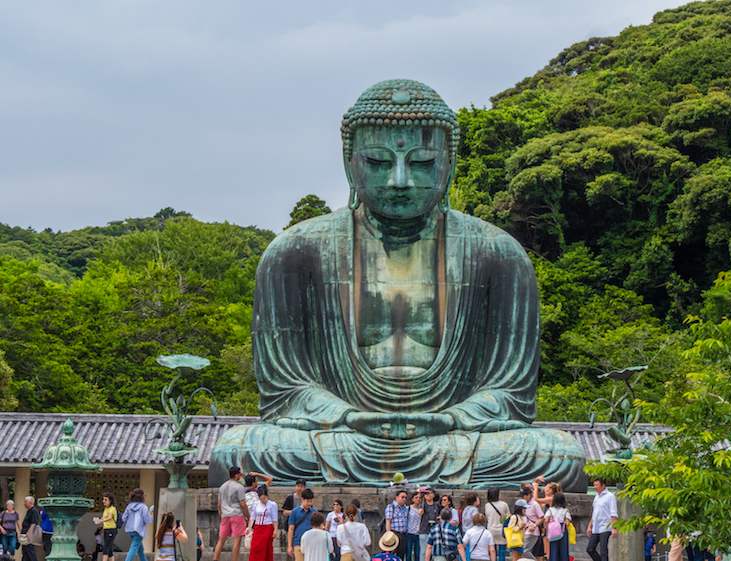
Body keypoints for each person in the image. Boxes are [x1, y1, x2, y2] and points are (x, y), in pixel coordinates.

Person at [209, 79, 587, 491]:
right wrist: (346, 416)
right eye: (378, 161)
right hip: (341, 434)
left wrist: (453, 418)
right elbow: (286, 390)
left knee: (559, 453)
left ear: (449, 163)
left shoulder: (498, 254)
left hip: (453, 434)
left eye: (423, 162)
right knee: (238, 449)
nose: (400, 180)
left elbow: (509, 393)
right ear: (349, 161)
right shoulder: (296, 252)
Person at [214, 466, 250, 561]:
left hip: (225, 516)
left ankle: (215, 559)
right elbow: (243, 505)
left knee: (221, 541)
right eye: (239, 475)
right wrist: (249, 517)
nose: (240, 477)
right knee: (236, 542)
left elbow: (219, 505)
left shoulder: (222, 487)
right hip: (237, 515)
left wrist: (221, 517)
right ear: (236, 475)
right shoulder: (239, 487)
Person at [586, 478, 618, 561]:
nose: (595, 487)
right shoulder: (596, 497)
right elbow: (594, 513)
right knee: (590, 549)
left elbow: (613, 513)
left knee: (603, 550)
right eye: (594, 485)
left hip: (605, 527)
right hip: (596, 527)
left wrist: (614, 528)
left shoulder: (610, 496)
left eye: (597, 485)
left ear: (603, 486)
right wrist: (590, 526)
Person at [121, 488, 154, 561]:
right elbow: (146, 520)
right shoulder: (143, 507)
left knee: (140, 551)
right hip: (139, 531)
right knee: (133, 550)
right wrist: (151, 515)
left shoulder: (129, 506)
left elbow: (123, 518)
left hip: (130, 531)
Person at [248, 487, 278, 561]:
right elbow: (252, 517)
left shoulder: (272, 504)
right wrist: (249, 527)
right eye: (261, 499)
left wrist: (276, 530)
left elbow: (275, 518)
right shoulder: (256, 504)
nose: (263, 500)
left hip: (267, 527)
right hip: (258, 528)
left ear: (267, 496)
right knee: (255, 547)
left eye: (264, 498)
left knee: (265, 548)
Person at [288, 488, 318, 561]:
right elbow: (291, 529)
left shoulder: (315, 512)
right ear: (302, 499)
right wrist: (289, 546)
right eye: (307, 501)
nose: (309, 504)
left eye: (311, 501)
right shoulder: (294, 512)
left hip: (312, 543)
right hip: (298, 542)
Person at [543, 493, 571, 561]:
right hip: (562, 530)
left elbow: (546, 520)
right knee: (563, 549)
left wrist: (547, 531)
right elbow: (567, 523)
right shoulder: (565, 510)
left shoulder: (550, 509)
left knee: (553, 548)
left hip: (553, 530)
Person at [484, 489, 509, 561]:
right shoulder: (504, 504)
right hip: (502, 530)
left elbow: (487, 517)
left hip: (491, 529)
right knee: (502, 551)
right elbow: (507, 516)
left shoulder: (487, 505)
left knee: (492, 550)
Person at [386, 490, 410, 561]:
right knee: (391, 554)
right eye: (402, 497)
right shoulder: (391, 507)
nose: (404, 499)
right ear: (397, 497)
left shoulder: (405, 508)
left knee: (401, 556)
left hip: (403, 534)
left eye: (405, 497)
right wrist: (389, 535)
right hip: (394, 533)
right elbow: (388, 521)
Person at [419, 489, 441, 561]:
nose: (428, 495)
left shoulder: (437, 505)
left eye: (430, 493)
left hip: (434, 531)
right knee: (423, 551)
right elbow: (420, 512)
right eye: (426, 493)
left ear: (433, 495)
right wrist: (420, 511)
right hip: (424, 530)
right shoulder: (422, 504)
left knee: (433, 551)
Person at [95, 492, 118, 561]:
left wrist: (101, 521)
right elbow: (103, 518)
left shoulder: (112, 508)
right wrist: (98, 520)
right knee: (109, 547)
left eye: (105, 499)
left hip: (111, 529)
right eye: (103, 499)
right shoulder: (106, 509)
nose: (103, 501)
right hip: (106, 529)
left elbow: (109, 518)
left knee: (106, 547)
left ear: (110, 500)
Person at [20, 497, 39, 561]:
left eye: (25, 502)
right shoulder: (29, 510)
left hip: (29, 535)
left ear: (30, 502)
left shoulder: (33, 511)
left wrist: (29, 532)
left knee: (30, 552)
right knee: (25, 553)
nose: (24, 504)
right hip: (25, 533)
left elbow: (33, 523)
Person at [406, 492, 422, 561]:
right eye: (416, 498)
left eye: (420, 498)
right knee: (408, 553)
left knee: (417, 554)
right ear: (412, 499)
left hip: (418, 533)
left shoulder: (422, 509)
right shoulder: (408, 508)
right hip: (409, 533)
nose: (418, 499)